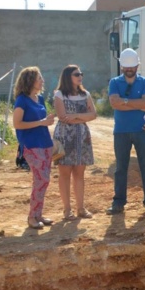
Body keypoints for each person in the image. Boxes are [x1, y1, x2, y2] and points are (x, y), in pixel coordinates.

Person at [107, 48, 145, 214]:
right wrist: (136, 104)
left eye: (132, 66)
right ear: (122, 66)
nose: (129, 69)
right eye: (126, 66)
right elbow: (114, 103)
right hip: (121, 132)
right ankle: (118, 202)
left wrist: (124, 102)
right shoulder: (114, 82)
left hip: (141, 130)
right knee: (120, 168)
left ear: (137, 66)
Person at [12, 66, 56, 229]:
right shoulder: (22, 100)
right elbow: (17, 124)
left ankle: (38, 214)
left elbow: (41, 121)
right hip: (31, 145)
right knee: (41, 179)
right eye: (39, 78)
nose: (42, 81)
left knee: (44, 180)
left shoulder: (40, 99)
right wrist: (41, 122)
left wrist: (47, 121)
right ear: (30, 80)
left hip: (45, 143)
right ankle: (32, 216)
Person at [54, 65, 97, 220]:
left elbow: (94, 114)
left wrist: (75, 116)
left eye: (81, 74)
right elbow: (63, 117)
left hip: (82, 137)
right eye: (76, 74)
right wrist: (82, 117)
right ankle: (67, 209)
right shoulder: (59, 94)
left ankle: (81, 208)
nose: (80, 77)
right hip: (65, 136)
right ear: (68, 77)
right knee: (65, 173)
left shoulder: (85, 94)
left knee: (79, 173)